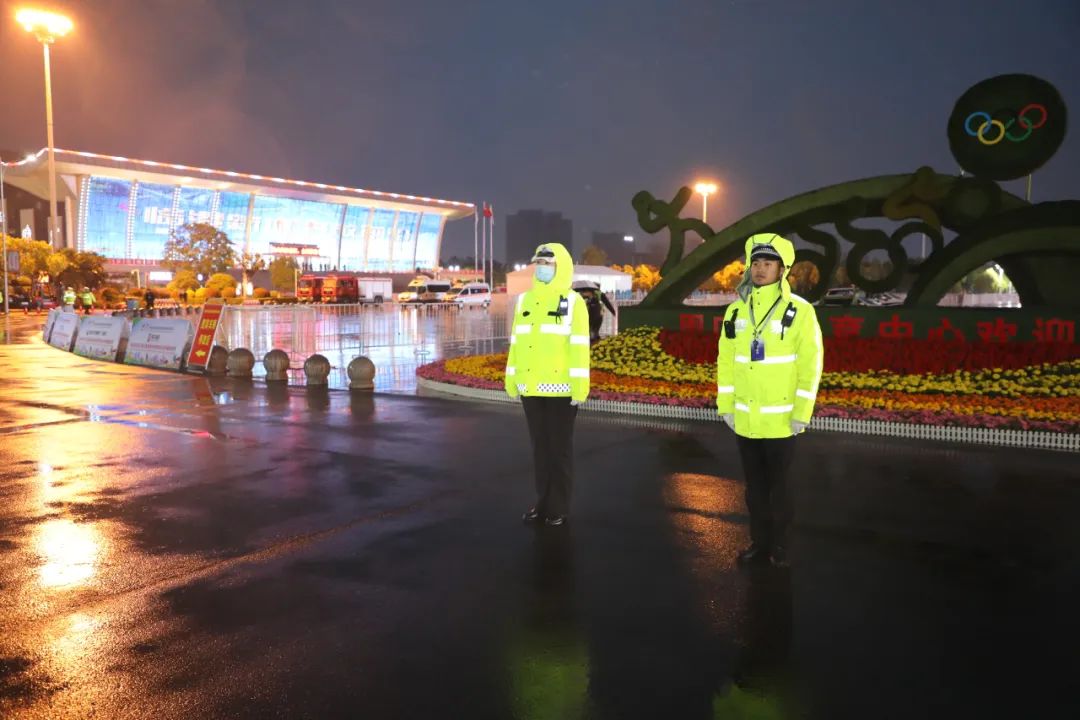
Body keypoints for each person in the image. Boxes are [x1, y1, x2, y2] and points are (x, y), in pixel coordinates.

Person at [716, 233, 823, 568]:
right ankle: (759, 543)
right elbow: (726, 361)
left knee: (780, 488)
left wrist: (802, 411)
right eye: (756, 263)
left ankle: (780, 546)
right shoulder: (736, 310)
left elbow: (811, 364)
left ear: (782, 269)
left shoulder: (800, 311)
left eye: (768, 263)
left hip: (781, 420)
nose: (760, 269)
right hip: (746, 419)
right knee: (754, 489)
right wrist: (726, 406)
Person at [505, 242, 591, 527]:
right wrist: (512, 378)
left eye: (547, 263)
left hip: (561, 389)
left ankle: (559, 506)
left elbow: (579, 346)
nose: (541, 268)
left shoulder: (573, 302)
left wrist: (580, 386)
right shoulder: (525, 300)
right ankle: (542, 502)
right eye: (539, 263)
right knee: (540, 449)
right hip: (531, 387)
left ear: (560, 267)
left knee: (559, 450)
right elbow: (517, 342)